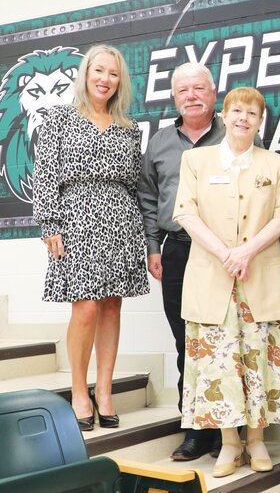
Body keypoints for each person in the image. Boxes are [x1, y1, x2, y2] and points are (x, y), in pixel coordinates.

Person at [172, 86, 280, 478]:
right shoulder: (195, 160)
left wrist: (245, 253)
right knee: (219, 363)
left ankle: (257, 441)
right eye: (237, 110)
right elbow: (186, 213)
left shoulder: (275, 164)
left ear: (261, 123)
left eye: (253, 114)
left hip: (260, 276)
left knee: (257, 360)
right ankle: (229, 444)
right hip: (212, 278)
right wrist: (226, 254)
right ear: (224, 115)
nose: (244, 118)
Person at [138, 62, 259, 460]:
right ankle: (195, 429)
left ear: (213, 93)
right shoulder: (158, 142)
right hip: (178, 249)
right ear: (174, 97)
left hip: (229, 253)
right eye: (182, 91)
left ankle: (236, 433)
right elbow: (149, 199)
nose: (191, 96)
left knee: (231, 341)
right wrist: (154, 247)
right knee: (186, 341)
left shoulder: (235, 131)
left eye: (198, 89)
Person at [32, 43, 149, 431]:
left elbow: (134, 185)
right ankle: (79, 390)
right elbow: (46, 173)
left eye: (113, 74)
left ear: (121, 81)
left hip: (120, 220)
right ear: (85, 74)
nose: (105, 79)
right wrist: (49, 223)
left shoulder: (129, 128)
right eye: (99, 71)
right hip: (75, 217)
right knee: (84, 307)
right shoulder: (59, 119)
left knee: (112, 306)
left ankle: (105, 391)